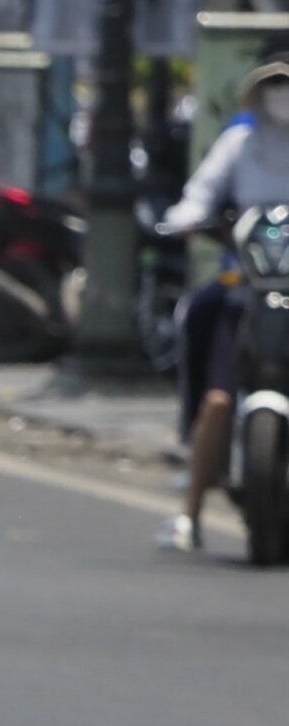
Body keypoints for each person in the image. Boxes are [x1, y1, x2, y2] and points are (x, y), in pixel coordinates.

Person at [152, 54, 289, 552]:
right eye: (275, 86)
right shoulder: (239, 143)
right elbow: (201, 193)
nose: (283, 96)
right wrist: (186, 218)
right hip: (245, 287)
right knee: (215, 390)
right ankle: (189, 513)